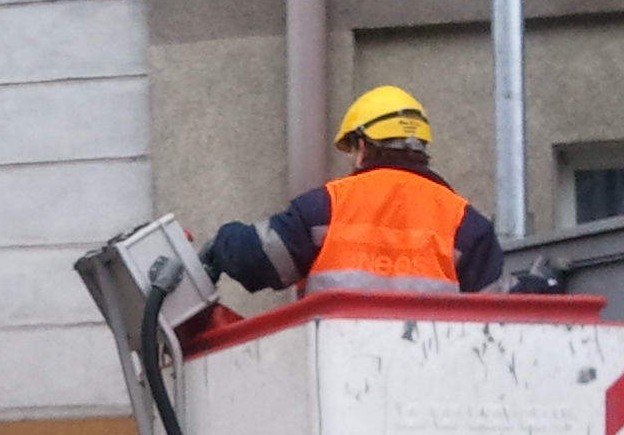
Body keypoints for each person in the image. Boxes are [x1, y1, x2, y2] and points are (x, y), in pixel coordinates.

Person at [197, 87, 506, 297]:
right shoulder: (466, 225)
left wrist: (222, 243)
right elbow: (495, 323)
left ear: (361, 146)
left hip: (336, 382)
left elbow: (257, 257)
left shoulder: (326, 208)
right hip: (429, 387)